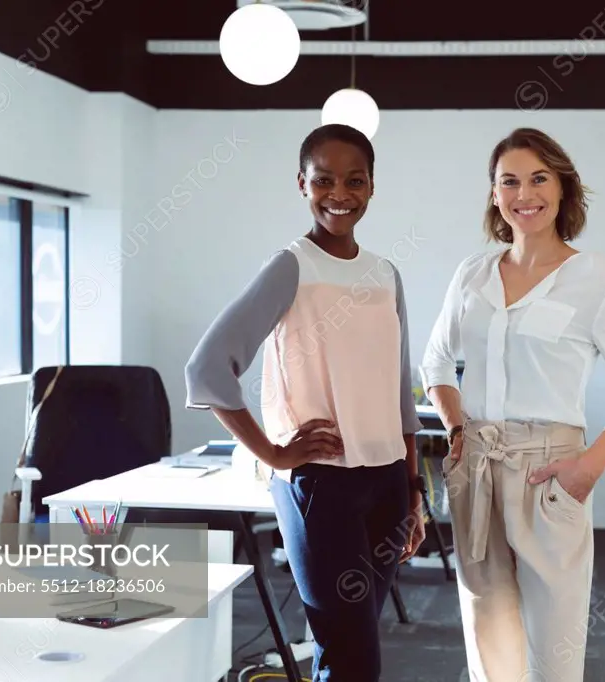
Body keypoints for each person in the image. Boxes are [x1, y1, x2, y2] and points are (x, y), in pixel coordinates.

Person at [184, 123, 426, 681]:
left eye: (354, 180)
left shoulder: (387, 275)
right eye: (324, 180)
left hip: (388, 483)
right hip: (322, 487)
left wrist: (413, 491)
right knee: (354, 659)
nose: (339, 194)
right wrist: (274, 453)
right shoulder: (293, 266)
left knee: (344, 655)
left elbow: (399, 396)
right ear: (302, 184)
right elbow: (207, 367)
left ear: (371, 188)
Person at [419, 127, 605, 681]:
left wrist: (587, 467)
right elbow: (434, 362)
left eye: (538, 178)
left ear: (563, 187)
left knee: (554, 646)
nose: (524, 193)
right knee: (489, 642)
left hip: (550, 473)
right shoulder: (472, 275)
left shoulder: (598, 277)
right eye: (510, 181)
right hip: (476, 466)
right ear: (494, 195)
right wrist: (457, 431)